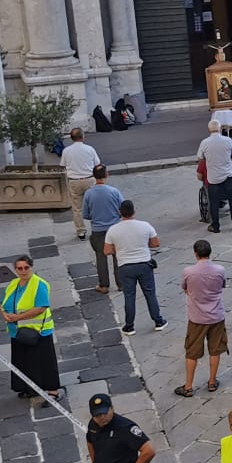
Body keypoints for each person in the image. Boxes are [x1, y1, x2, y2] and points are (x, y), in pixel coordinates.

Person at [0, 253, 63, 402]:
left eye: (26, 267)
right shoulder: (13, 284)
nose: (23, 271)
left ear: (31, 267)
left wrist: (17, 317)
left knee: (44, 361)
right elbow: (3, 302)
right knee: (23, 361)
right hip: (18, 332)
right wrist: (3, 313)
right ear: (15, 270)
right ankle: (29, 388)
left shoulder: (39, 284)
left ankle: (53, 391)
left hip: (38, 332)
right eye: (19, 268)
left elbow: (40, 308)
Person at [174, 239, 228, 397]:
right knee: (215, 349)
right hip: (216, 315)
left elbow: (185, 288)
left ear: (195, 254)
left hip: (197, 317)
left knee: (192, 352)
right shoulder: (219, 270)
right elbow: (222, 286)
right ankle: (212, 381)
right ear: (210, 252)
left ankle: (189, 386)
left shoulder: (188, 272)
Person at [104, 200, 166, 335]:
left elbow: (107, 251)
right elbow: (156, 243)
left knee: (129, 296)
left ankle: (129, 326)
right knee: (150, 294)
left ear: (120, 213)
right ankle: (158, 321)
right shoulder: (145, 226)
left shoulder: (113, 230)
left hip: (125, 267)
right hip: (144, 264)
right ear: (134, 211)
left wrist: (120, 248)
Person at [82, 165, 124, 294]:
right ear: (106, 174)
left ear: (94, 176)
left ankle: (104, 285)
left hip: (98, 230)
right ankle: (121, 284)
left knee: (101, 257)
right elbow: (122, 209)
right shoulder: (114, 191)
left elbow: (86, 214)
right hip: (115, 228)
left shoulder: (89, 193)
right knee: (118, 256)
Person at [197, 120, 232, 233]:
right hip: (228, 175)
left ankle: (215, 226)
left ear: (209, 130)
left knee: (214, 202)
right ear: (220, 128)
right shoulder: (227, 140)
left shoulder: (204, 142)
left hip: (213, 178)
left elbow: (200, 158)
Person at [61, 127, 101, 239]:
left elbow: (63, 165)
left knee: (77, 208)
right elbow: (97, 163)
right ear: (83, 136)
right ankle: (97, 227)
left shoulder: (66, 151)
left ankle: (81, 231)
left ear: (71, 138)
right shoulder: (89, 149)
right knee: (94, 205)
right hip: (89, 179)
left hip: (74, 181)